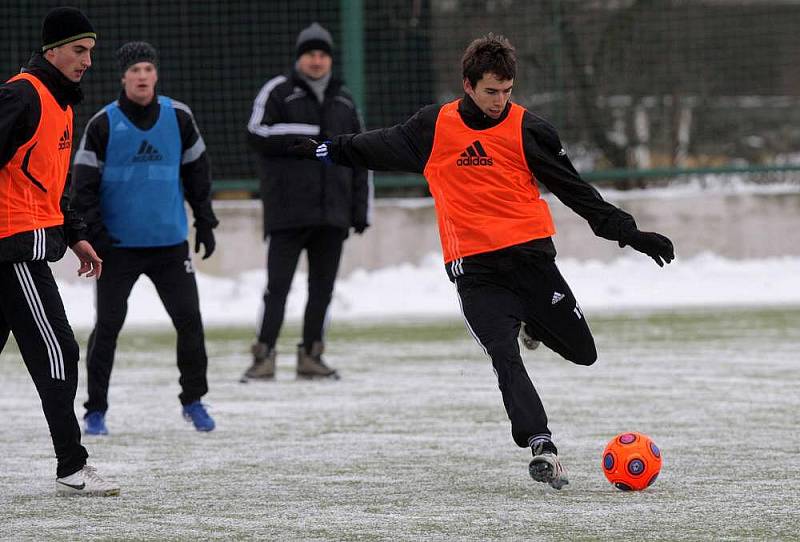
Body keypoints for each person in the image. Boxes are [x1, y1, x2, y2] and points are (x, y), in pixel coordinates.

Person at [289, 34, 674, 489]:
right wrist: (325, 150)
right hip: (475, 271)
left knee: (583, 353)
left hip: (532, 262)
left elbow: (575, 190)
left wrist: (629, 233)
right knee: (503, 355)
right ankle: (542, 446)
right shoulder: (434, 127)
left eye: (508, 91)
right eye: (492, 91)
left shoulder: (530, 130)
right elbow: (375, 145)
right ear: (468, 85)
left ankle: (532, 325)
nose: (500, 101)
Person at [0, 7, 119, 496]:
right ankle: (72, 465)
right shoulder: (22, 94)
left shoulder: (62, 104)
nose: (87, 60)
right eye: (78, 50)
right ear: (52, 50)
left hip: (31, 243)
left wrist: (75, 234)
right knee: (58, 349)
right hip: (14, 250)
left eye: (90, 51)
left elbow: (53, 187)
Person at [72, 41, 218, 435]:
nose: (142, 76)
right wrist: (95, 234)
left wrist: (204, 220)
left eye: (148, 69)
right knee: (108, 327)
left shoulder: (180, 117)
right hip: (117, 250)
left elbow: (197, 174)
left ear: (156, 75)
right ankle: (95, 411)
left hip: (170, 245)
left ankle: (194, 401)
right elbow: (83, 186)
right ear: (123, 76)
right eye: (135, 70)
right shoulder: (103, 123)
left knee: (190, 321)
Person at [242, 22, 372, 382]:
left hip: (333, 215)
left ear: (329, 59)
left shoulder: (345, 100)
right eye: (310, 54)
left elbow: (361, 156)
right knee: (277, 288)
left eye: (322, 54)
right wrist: (305, 135)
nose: (317, 61)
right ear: (299, 58)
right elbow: (255, 133)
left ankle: (311, 355)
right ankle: (263, 355)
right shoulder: (278, 92)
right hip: (287, 213)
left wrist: (360, 210)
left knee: (322, 290)